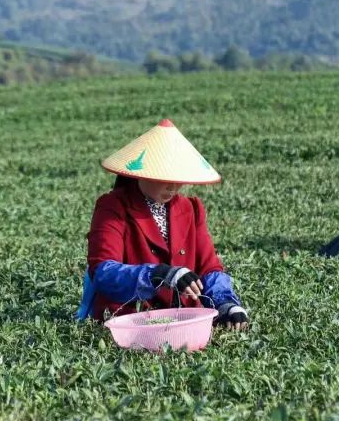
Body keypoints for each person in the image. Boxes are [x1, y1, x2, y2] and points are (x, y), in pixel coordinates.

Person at [76, 119, 249, 330]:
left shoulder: (191, 208)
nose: (173, 186)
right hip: (129, 319)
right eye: (164, 177)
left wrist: (227, 304)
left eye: (178, 178)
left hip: (183, 319)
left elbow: (209, 267)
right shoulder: (112, 206)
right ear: (143, 173)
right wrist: (158, 274)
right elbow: (103, 272)